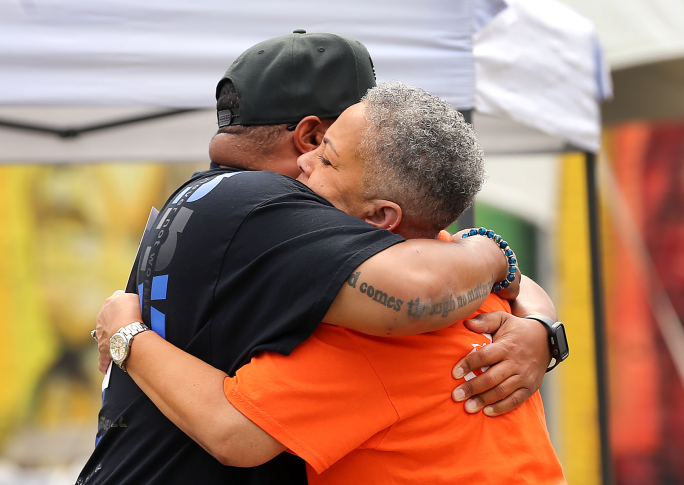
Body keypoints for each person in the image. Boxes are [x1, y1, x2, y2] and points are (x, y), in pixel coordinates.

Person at [79, 32, 556, 485]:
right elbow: (478, 273)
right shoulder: (458, 274)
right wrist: (532, 313)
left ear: (382, 216)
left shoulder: (375, 332)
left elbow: (235, 432)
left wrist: (126, 334)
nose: (305, 168)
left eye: (328, 160)